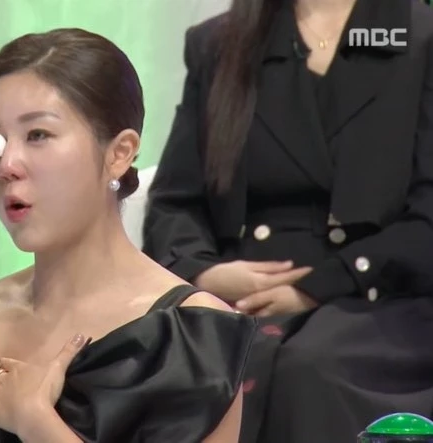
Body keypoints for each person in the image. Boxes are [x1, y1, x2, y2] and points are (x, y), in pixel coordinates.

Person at [0, 28, 255, 443]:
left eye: (38, 135)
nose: (7, 166)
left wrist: (37, 424)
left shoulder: (193, 332)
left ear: (119, 153)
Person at [142, 0, 433, 442]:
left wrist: (319, 286)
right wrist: (205, 274)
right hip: (240, 299)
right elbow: (174, 203)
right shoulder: (219, 44)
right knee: (190, 364)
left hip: (383, 295)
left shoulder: (421, 38)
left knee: (308, 367)